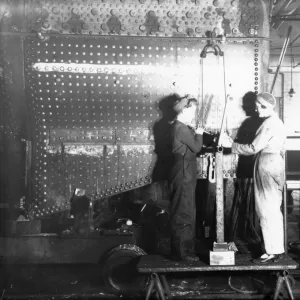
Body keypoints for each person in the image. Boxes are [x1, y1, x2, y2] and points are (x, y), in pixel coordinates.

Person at [221, 92, 289, 263]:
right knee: (274, 208)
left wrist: (231, 145)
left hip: (266, 163)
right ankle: (277, 249)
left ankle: (271, 251)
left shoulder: (268, 124)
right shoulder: (279, 123)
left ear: (266, 106)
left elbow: (253, 148)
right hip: (277, 163)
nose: (256, 110)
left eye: (259, 106)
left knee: (265, 209)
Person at [168, 95, 207, 262]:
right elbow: (196, 147)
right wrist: (199, 133)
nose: (194, 114)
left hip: (184, 169)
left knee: (185, 209)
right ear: (183, 111)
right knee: (184, 211)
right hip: (183, 171)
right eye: (192, 110)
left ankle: (184, 250)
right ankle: (183, 253)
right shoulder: (181, 128)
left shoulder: (179, 126)